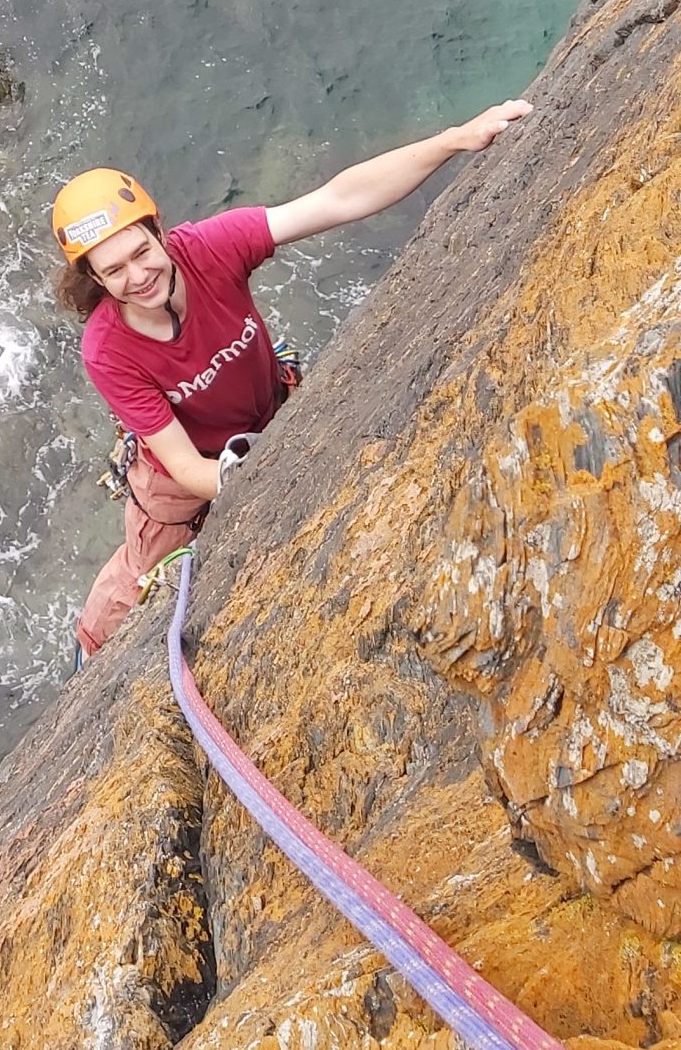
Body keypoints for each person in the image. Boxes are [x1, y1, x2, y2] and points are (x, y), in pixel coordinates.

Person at [57, 100, 532, 660]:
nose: (138, 277)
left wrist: (454, 139)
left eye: (142, 252)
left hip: (268, 413)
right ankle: (90, 647)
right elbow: (184, 467)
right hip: (180, 478)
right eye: (113, 270)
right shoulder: (108, 349)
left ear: (159, 231)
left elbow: (337, 199)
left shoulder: (210, 248)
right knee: (144, 572)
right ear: (93, 277)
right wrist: (261, 481)